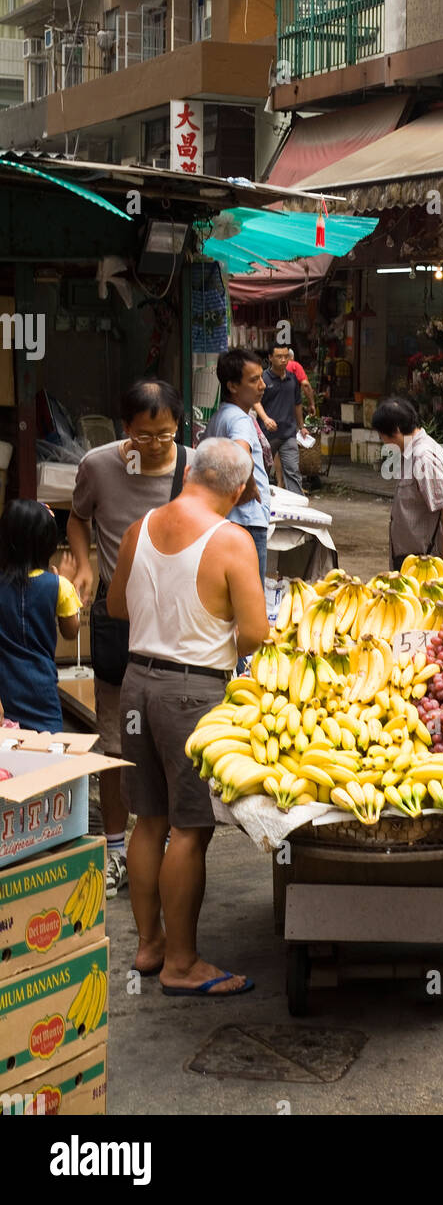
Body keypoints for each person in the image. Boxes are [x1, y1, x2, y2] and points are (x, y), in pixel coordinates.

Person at [106, 437, 269, 996]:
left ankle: (149, 946)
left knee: (147, 821)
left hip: (135, 685)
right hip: (191, 694)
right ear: (241, 489)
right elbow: (253, 633)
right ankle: (181, 964)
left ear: (191, 471)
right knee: (190, 830)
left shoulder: (140, 527)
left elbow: (116, 607)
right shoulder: (232, 540)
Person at [68, 379, 192, 899]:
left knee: (172, 739)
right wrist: (83, 565)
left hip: (179, 625)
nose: (158, 445)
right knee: (117, 742)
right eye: (146, 436)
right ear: (126, 430)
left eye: (166, 434)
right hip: (119, 622)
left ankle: (159, 837)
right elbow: (77, 517)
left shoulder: (192, 465)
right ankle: (116, 849)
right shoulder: (98, 465)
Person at [0, 500, 81, 732]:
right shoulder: (59, 586)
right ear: (48, 544)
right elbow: (71, 631)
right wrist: (66, 583)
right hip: (42, 691)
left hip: (5, 690)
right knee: (49, 751)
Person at [372, 396, 443, 577]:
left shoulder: (423, 457)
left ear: (395, 431)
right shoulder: (411, 452)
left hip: (426, 563)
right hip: (411, 558)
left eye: (382, 436)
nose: (383, 442)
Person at [203, 349, 270, 582]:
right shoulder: (240, 419)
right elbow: (240, 454)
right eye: (254, 380)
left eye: (261, 377)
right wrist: (249, 485)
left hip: (227, 520)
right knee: (250, 602)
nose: (262, 385)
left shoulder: (220, 416)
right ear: (232, 386)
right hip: (247, 522)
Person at [252, 343, 304, 496]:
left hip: (288, 433)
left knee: (293, 471)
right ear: (270, 358)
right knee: (262, 470)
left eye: (286, 356)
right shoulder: (263, 379)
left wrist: (301, 426)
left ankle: (297, 505)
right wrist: (266, 419)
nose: (283, 360)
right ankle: (260, 500)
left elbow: (297, 404)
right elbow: (255, 401)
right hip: (267, 435)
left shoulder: (292, 379)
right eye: (279, 356)